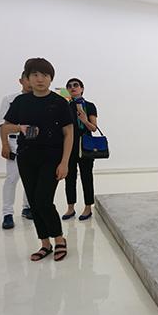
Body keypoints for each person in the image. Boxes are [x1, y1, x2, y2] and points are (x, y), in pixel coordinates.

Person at [2, 58, 74, 262]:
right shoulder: (21, 102)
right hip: (27, 157)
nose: (40, 79)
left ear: (51, 78)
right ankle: (45, 243)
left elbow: (69, 133)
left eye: (44, 75)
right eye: (35, 75)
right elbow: (5, 126)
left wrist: (65, 162)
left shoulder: (60, 102)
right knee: (34, 203)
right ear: (27, 78)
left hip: (52, 158)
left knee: (43, 200)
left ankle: (59, 239)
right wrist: (20, 128)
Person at [0, 72, 33, 229]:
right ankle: (7, 213)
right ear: (21, 81)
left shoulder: (38, 100)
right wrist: (5, 144)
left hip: (33, 143)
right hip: (14, 143)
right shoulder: (10, 99)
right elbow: (3, 125)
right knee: (12, 178)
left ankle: (27, 207)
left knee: (31, 177)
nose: (31, 82)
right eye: (28, 79)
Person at [62, 78, 98, 221]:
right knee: (69, 177)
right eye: (69, 86)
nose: (73, 88)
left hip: (86, 146)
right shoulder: (65, 107)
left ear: (82, 88)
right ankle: (70, 207)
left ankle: (88, 207)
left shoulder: (90, 106)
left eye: (76, 85)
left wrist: (84, 120)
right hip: (69, 145)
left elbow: (93, 128)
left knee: (86, 176)